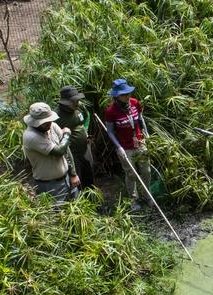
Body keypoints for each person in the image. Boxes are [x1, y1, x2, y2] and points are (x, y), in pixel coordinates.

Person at [104, 78, 152, 211]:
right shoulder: (110, 111)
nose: (127, 96)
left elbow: (141, 120)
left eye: (128, 93)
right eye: (123, 94)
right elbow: (110, 132)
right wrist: (118, 147)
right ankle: (133, 199)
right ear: (116, 96)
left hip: (140, 142)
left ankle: (147, 196)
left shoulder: (135, 103)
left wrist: (146, 134)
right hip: (125, 147)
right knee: (131, 174)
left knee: (146, 171)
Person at [22, 102, 80, 204]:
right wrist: (67, 134)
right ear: (36, 122)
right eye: (45, 122)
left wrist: (73, 174)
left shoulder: (52, 126)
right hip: (50, 185)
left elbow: (66, 150)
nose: (49, 123)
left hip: (66, 178)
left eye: (49, 120)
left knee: (76, 206)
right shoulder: (31, 136)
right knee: (58, 214)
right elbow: (59, 151)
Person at [55, 85, 94, 189]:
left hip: (86, 148)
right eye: (74, 101)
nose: (77, 103)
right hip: (73, 153)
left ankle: (93, 198)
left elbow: (87, 115)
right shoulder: (57, 116)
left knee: (89, 173)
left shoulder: (79, 106)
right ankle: (81, 202)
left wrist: (85, 129)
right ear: (66, 102)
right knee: (78, 179)